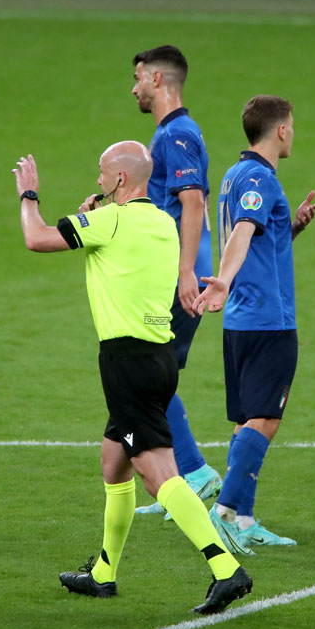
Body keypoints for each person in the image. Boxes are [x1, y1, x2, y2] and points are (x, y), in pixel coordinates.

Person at [12, 141, 251, 614]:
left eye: (102, 174)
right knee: (113, 463)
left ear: (120, 179)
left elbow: (36, 238)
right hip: (159, 358)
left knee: (156, 472)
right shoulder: (162, 221)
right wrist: (97, 211)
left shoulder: (108, 222)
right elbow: (116, 238)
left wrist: (29, 196)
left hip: (127, 362)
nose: (98, 181)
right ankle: (104, 572)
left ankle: (226, 569)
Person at [192, 95, 315, 552]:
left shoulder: (233, 175)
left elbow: (258, 238)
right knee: (264, 419)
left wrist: (292, 228)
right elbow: (243, 232)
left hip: (243, 320)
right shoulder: (261, 178)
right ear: (280, 130)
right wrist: (222, 281)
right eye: (291, 126)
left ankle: (243, 520)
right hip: (267, 319)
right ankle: (223, 513)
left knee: (250, 420)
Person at [129, 45, 222, 518]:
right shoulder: (169, 132)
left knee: (147, 372)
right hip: (173, 263)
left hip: (179, 266)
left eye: (140, 78)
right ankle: (183, 479)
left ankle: (192, 474)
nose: (135, 88)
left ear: (160, 79)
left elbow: (191, 203)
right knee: (154, 374)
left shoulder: (178, 133)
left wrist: (185, 272)